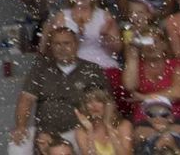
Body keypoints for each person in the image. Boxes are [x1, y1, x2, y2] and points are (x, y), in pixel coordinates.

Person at [12, 27, 111, 155]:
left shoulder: (92, 70)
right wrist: (21, 126)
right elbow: (26, 99)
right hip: (46, 133)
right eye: (57, 44)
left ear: (76, 45)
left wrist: (105, 127)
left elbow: (107, 102)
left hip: (81, 131)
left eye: (66, 43)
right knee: (17, 146)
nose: (62, 48)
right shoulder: (40, 69)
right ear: (51, 46)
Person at [71, 83, 130, 155]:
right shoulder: (81, 131)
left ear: (107, 104)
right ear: (85, 106)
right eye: (89, 102)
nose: (94, 105)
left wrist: (108, 125)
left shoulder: (124, 125)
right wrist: (90, 130)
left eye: (99, 101)